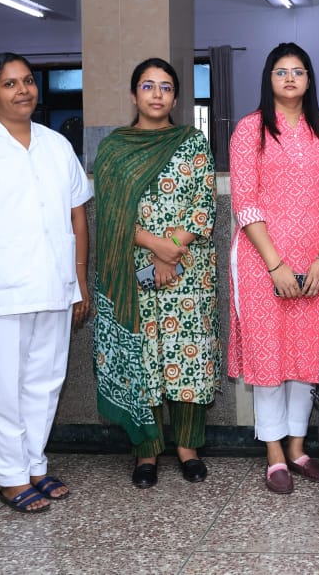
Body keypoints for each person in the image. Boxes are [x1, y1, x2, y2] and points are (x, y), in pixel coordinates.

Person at [0, 52, 92, 513]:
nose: (23, 90)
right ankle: (11, 477)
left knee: (45, 383)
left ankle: (35, 466)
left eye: (27, 81)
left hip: (53, 287)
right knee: (4, 388)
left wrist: (78, 282)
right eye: (9, 84)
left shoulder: (56, 145)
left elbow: (77, 217)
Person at [93, 58, 221, 489]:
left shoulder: (192, 142)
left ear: (176, 97)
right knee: (143, 358)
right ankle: (146, 450)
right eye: (148, 86)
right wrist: (157, 247)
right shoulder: (115, 149)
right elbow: (112, 215)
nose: (157, 94)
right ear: (133, 95)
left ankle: (187, 448)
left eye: (165, 87)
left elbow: (204, 204)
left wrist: (171, 252)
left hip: (189, 271)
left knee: (188, 357)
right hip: (135, 271)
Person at [229, 43, 319, 494]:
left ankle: (298, 446)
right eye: (281, 72)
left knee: (304, 354)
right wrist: (275, 264)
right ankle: (274, 452)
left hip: (316, 262)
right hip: (262, 261)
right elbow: (245, 201)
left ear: (309, 79)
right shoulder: (250, 129)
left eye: (298, 71)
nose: (291, 78)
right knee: (268, 356)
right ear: (269, 79)